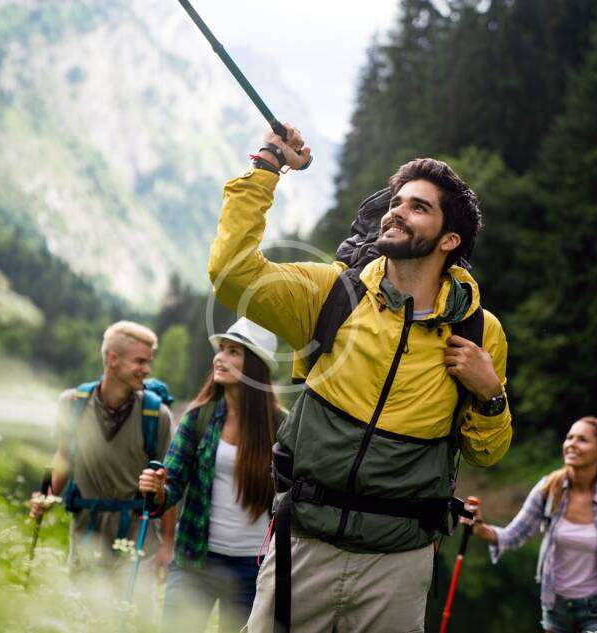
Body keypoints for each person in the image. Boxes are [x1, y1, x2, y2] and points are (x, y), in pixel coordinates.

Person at [206, 124, 513, 632]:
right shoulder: (331, 294)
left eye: (419, 207)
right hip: (303, 543)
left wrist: (491, 396)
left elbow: (486, 453)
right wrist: (267, 166)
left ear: (449, 239)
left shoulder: (480, 332)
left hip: (399, 563)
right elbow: (232, 274)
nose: (397, 211)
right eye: (397, 201)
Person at [138, 317, 286, 632]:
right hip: (194, 561)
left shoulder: (282, 425)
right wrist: (157, 490)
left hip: (254, 568)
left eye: (234, 352)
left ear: (255, 366)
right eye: (221, 349)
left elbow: (291, 497)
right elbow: (172, 485)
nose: (220, 358)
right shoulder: (198, 417)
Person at [29, 321, 176, 619]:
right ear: (112, 359)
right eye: (140, 361)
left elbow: (168, 482)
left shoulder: (156, 415)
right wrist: (47, 496)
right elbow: (64, 456)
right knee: (81, 619)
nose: (147, 369)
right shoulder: (72, 404)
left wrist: (168, 544)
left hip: (137, 540)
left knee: (133, 621)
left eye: (148, 361)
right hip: (87, 534)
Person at [470, 417, 597, 633]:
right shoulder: (549, 489)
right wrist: (481, 529)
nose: (571, 444)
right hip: (555, 607)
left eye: (582, 440)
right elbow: (513, 535)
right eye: (569, 438)